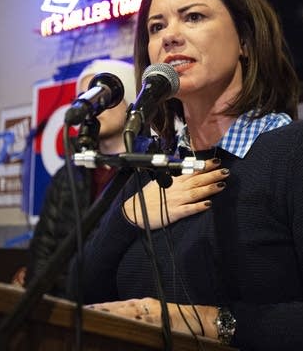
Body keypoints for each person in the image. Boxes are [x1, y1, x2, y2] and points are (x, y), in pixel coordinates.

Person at [63, 0, 303, 351]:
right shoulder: (146, 164)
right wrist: (128, 216)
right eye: (156, 26)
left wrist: (198, 321)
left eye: (194, 17)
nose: (169, 36)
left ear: (247, 42)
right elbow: (76, 297)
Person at [21, 58, 227, 294]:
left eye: (103, 96)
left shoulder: (157, 168)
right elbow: (43, 254)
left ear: (131, 101)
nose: (94, 106)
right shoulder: (67, 175)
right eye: (86, 97)